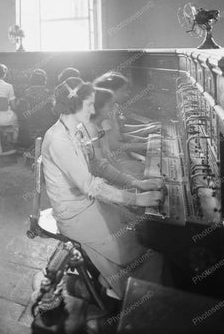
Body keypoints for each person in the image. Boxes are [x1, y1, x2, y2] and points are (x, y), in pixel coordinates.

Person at [41, 77, 164, 299]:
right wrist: (136, 199)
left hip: (89, 204)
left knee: (141, 227)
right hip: (75, 216)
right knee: (145, 247)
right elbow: (89, 185)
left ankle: (112, 283)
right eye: (89, 104)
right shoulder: (58, 140)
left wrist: (136, 183)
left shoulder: (75, 130)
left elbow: (98, 164)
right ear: (73, 105)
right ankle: (137, 301)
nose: (93, 109)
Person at [85, 88, 163, 191]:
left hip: (112, 171)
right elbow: (102, 169)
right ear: (98, 108)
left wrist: (133, 177)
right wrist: (135, 181)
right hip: (101, 184)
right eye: (110, 106)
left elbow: (110, 159)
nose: (113, 109)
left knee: (147, 175)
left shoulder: (99, 127)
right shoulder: (91, 130)